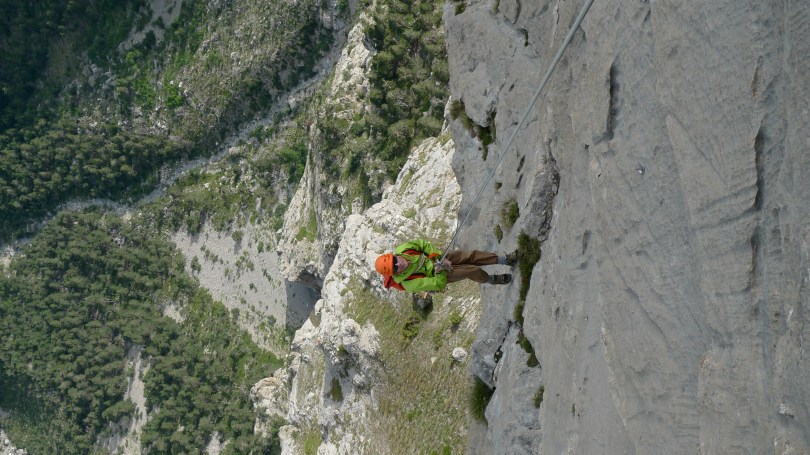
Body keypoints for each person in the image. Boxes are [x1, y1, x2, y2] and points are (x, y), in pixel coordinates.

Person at [374, 239, 517, 293]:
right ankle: (492, 279)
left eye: (395, 260)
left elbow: (422, 244)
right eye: (396, 268)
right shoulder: (409, 283)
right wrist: (440, 269)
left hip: (439, 259)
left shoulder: (403, 250)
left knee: (470, 255)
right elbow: (438, 284)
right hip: (439, 274)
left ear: (393, 255)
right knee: (471, 270)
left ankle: (505, 260)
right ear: (395, 274)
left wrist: (436, 256)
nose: (399, 263)